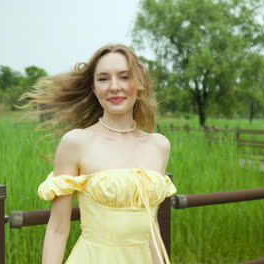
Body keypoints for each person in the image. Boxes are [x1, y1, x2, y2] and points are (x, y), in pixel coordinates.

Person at [21, 44, 177, 264]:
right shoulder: (76, 142)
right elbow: (57, 229)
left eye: (124, 77)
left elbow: (151, 225)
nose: (114, 87)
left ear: (139, 85)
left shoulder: (159, 146)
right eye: (103, 79)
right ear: (94, 88)